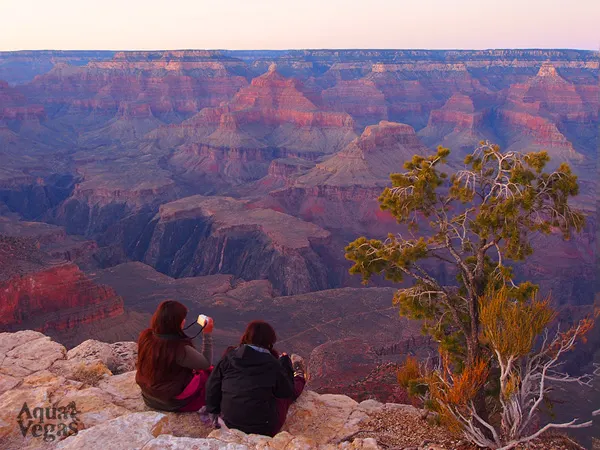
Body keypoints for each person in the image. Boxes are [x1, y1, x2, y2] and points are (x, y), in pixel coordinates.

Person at [205, 320, 306, 436]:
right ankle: (299, 376)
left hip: (229, 423)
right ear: (270, 341)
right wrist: (285, 365)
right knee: (287, 395)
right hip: (264, 428)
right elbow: (286, 392)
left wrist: (213, 412)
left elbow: (212, 386)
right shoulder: (273, 364)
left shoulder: (229, 358)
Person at [135, 300, 214, 412]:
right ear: (175, 322)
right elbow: (205, 364)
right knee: (211, 374)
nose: (184, 321)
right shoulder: (178, 348)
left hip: (149, 397)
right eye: (182, 319)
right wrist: (207, 333)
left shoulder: (146, 336)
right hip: (173, 403)